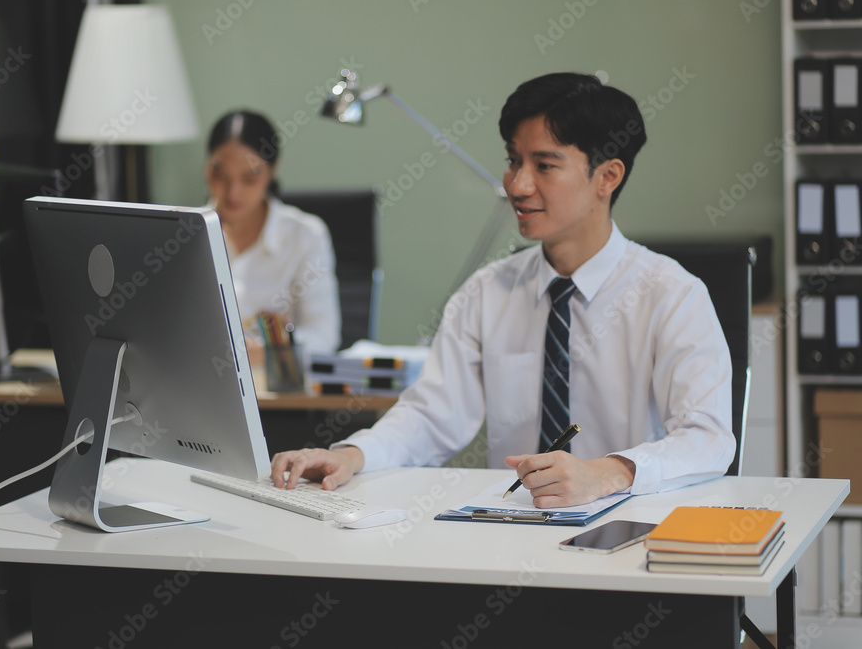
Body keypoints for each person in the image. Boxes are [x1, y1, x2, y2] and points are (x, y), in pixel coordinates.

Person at [270, 72, 735, 507]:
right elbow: (432, 415)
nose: (517, 184)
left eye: (544, 165)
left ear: (607, 176)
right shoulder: (487, 293)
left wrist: (610, 472)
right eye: (514, 161)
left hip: (628, 532)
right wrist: (353, 454)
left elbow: (708, 438)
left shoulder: (672, 295)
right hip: (511, 533)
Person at [205, 110, 341, 355]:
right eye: (220, 176)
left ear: (271, 171)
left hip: (277, 384)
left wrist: (270, 347)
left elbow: (323, 336)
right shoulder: (184, 234)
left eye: (249, 178)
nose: (233, 192)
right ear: (207, 168)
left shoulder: (306, 236)